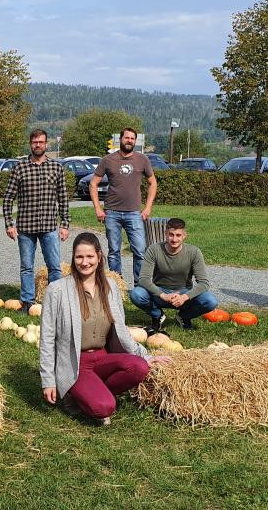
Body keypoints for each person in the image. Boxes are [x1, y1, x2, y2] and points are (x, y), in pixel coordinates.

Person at [39, 232, 171, 425]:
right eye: (79, 257)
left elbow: (122, 329)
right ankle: (79, 393)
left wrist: (146, 356)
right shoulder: (57, 290)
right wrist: (48, 380)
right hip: (76, 364)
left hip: (103, 357)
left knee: (139, 367)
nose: (85, 262)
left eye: (90, 256)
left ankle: (87, 392)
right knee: (104, 408)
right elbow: (47, 338)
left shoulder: (110, 286)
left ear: (99, 257)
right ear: (73, 258)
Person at [3, 129, 70, 312]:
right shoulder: (20, 167)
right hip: (25, 226)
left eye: (41, 142)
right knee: (26, 267)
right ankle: (27, 301)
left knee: (54, 267)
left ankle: (55, 302)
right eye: (35, 142)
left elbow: (63, 198)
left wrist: (64, 224)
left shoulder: (56, 168)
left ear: (46, 144)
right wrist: (9, 224)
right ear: (30, 144)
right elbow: (8, 197)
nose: (38, 145)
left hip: (49, 226)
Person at [90, 127, 157, 280]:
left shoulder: (142, 160)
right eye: (127, 138)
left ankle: (140, 288)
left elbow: (153, 183)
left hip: (134, 212)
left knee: (140, 251)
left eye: (132, 139)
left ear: (135, 141)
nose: (129, 141)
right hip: (111, 212)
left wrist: (147, 208)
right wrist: (98, 208)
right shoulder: (108, 160)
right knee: (114, 251)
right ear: (120, 139)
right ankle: (116, 285)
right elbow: (93, 183)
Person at [129, 218, 218, 332]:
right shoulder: (153, 249)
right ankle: (157, 315)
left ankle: (184, 316)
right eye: (171, 235)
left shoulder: (194, 252)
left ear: (184, 235)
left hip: (183, 293)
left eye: (178, 235)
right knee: (136, 294)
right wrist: (162, 295)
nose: (174, 239)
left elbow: (204, 283)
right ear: (166, 234)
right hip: (160, 292)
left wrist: (184, 297)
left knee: (210, 301)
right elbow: (143, 279)